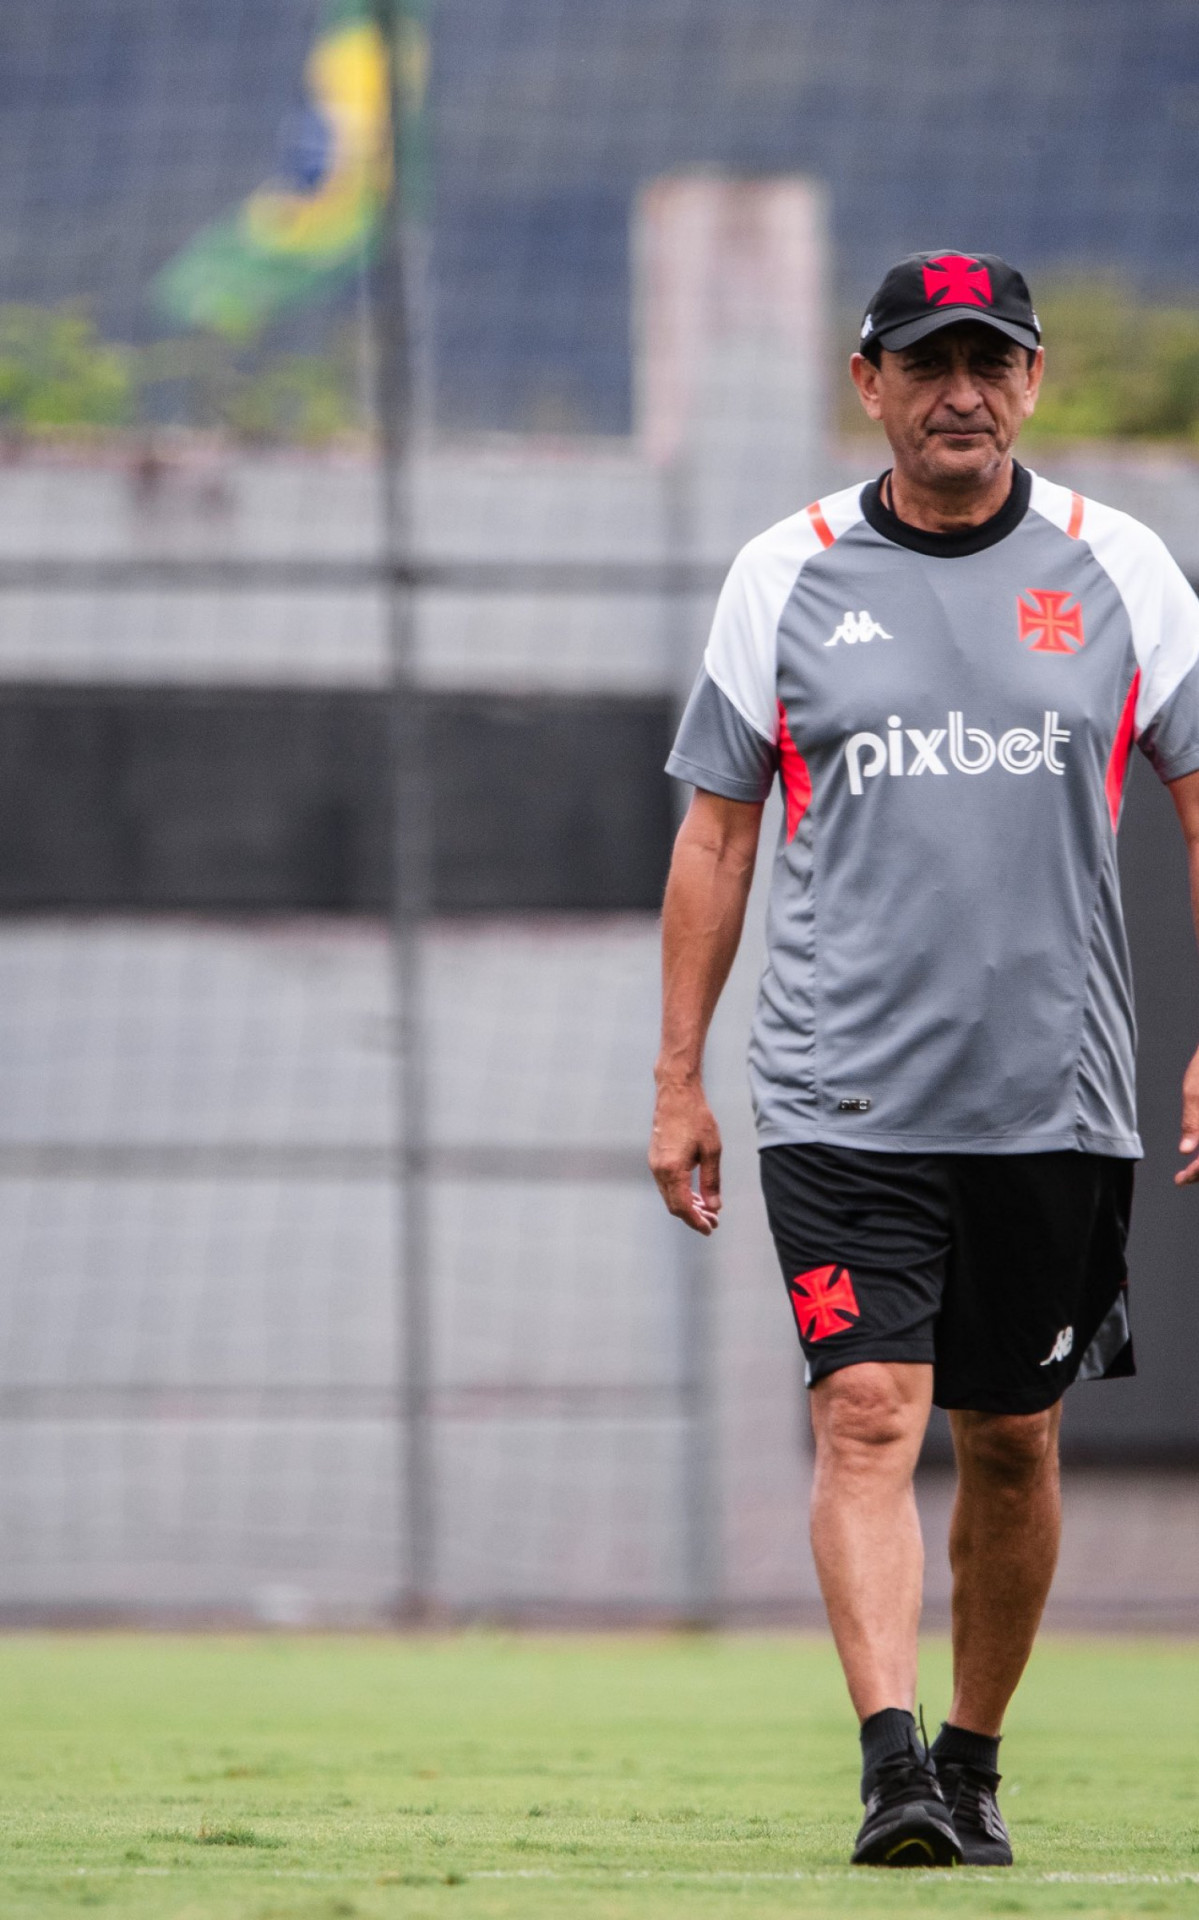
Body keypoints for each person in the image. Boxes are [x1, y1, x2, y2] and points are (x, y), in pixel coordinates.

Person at [649, 250, 1199, 1869]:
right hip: (840, 1094)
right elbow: (715, 834)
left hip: (1055, 1096)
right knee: (869, 1411)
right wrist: (680, 1074)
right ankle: (892, 1769)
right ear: (868, 382)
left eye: (993, 360)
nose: (962, 390)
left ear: (1034, 382)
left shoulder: (1125, 570)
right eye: (928, 361)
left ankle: (973, 1760)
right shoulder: (787, 571)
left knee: (1012, 1439)